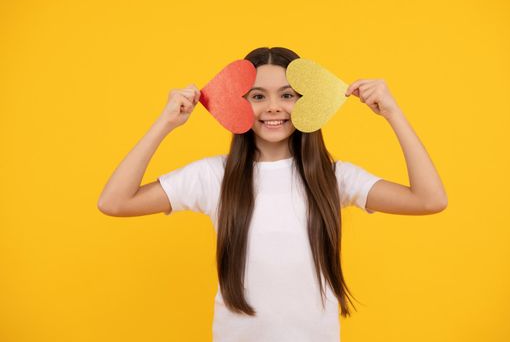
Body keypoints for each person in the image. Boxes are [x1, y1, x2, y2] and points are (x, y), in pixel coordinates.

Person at [97, 46, 448, 342]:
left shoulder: (333, 177)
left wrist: (393, 113)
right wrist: (165, 123)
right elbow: (114, 202)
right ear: (238, 104)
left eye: (288, 95)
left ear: (307, 103)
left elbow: (430, 200)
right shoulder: (212, 176)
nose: (274, 107)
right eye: (258, 96)